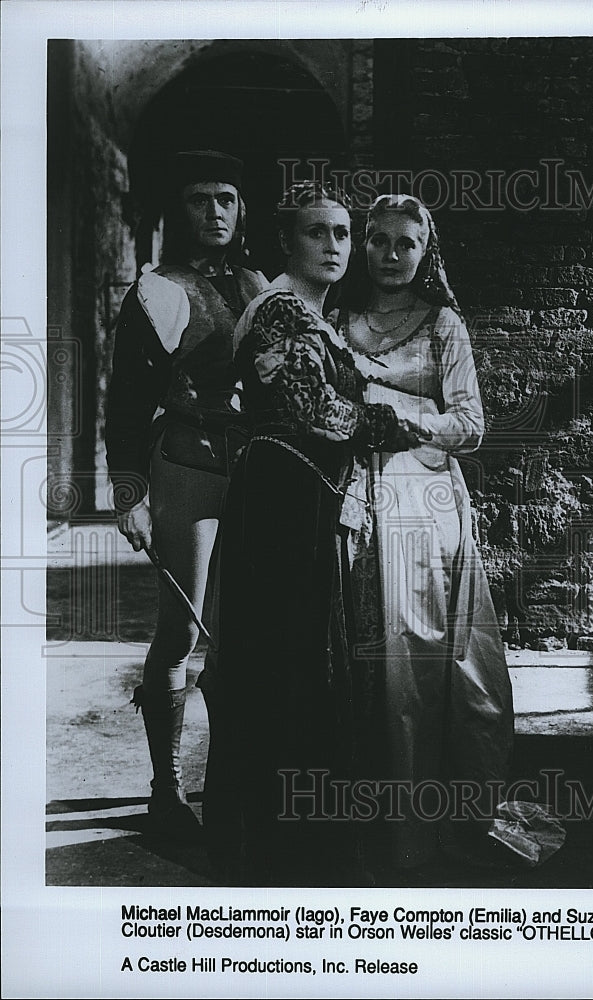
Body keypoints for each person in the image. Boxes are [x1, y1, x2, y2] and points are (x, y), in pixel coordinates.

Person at [200, 182, 422, 883]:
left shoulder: (312, 316)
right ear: (286, 243)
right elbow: (313, 411)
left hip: (304, 495)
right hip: (279, 499)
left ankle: (292, 831)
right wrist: (393, 423)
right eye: (316, 232)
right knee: (281, 661)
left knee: (302, 658)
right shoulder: (281, 309)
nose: (333, 245)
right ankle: (270, 843)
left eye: (342, 234)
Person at [333, 194, 515, 870]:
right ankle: (358, 820)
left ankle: (422, 823)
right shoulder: (335, 318)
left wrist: (407, 419)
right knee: (357, 650)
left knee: (417, 657)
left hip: (423, 502)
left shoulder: (442, 324)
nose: (390, 255)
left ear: (424, 251)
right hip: (349, 498)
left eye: (405, 243)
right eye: (378, 240)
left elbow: (470, 425)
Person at [105, 149, 268, 837]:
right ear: (180, 209)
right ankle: (166, 791)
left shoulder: (264, 287)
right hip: (186, 462)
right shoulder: (154, 291)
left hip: (259, 470)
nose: (215, 211)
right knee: (181, 632)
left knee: (246, 637)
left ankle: (232, 787)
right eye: (200, 198)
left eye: (226, 198)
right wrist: (130, 495)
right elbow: (125, 402)